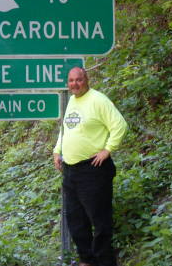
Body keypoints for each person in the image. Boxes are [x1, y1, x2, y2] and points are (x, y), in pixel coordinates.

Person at [53, 67, 128, 266]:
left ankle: (104, 261)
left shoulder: (98, 100)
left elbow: (120, 125)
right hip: (71, 171)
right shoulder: (71, 101)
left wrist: (107, 149)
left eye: (78, 80)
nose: (74, 84)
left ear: (87, 80)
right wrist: (57, 150)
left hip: (93, 170)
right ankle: (87, 260)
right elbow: (66, 130)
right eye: (70, 80)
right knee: (76, 221)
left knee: (100, 220)